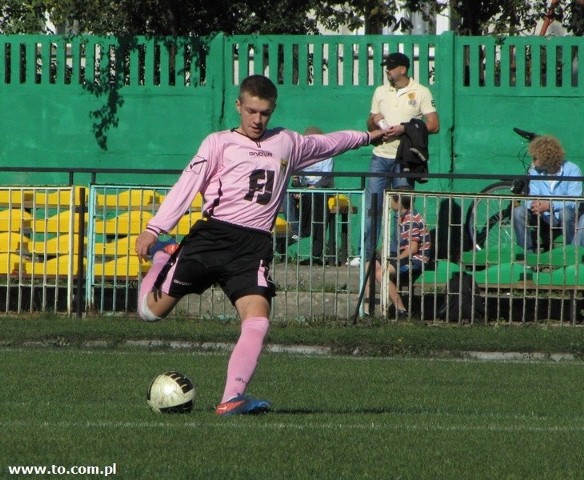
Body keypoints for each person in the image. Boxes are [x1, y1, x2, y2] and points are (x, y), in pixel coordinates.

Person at [134, 74, 385, 416]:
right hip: (212, 237)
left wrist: (370, 136)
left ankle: (231, 399)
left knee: (258, 320)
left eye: (264, 113)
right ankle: (164, 258)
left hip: (252, 247)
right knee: (150, 313)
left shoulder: (286, 142)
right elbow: (187, 183)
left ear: (273, 110)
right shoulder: (218, 143)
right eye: (251, 111)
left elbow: (329, 144)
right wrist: (155, 228)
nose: (257, 120)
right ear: (238, 106)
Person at [357, 52, 439, 267]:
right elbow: (369, 123)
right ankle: (366, 256)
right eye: (386, 67)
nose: (387, 70)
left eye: (391, 67)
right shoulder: (381, 91)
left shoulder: (421, 92)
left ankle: (394, 257)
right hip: (380, 156)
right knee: (372, 208)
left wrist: (405, 128)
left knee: (401, 210)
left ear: (402, 69)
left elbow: (433, 124)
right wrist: (374, 120)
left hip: (404, 158)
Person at [363, 190, 431, 318]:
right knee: (369, 266)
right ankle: (367, 310)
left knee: (381, 274)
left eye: (391, 200)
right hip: (406, 257)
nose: (389, 203)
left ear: (398, 202)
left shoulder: (411, 219)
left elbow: (413, 248)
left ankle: (401, 310)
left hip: (416, 260)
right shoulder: (402, 217)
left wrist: (395, 258)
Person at [512, 135, 583, 252]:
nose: (532, 161)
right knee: (518, 211)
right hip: (541, 216)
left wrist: (550, 205)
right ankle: (526, 254)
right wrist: (534, 204)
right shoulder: (534, 171)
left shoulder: (572, 169)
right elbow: (532, 193)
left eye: (535, 158)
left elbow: (574, 201)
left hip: (561, 215)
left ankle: (570, 252)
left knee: (566, 213)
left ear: (547, 158)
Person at [281, 126, 335, 265]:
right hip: (304, 191)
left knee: (313, 199)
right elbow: (297, 179)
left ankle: (305, 239)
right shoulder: (301, 156)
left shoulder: (326, 156)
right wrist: (297, 183)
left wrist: (311, 188)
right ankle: (294, 227)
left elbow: (326, 178)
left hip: (320, 191)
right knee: (285, 195)